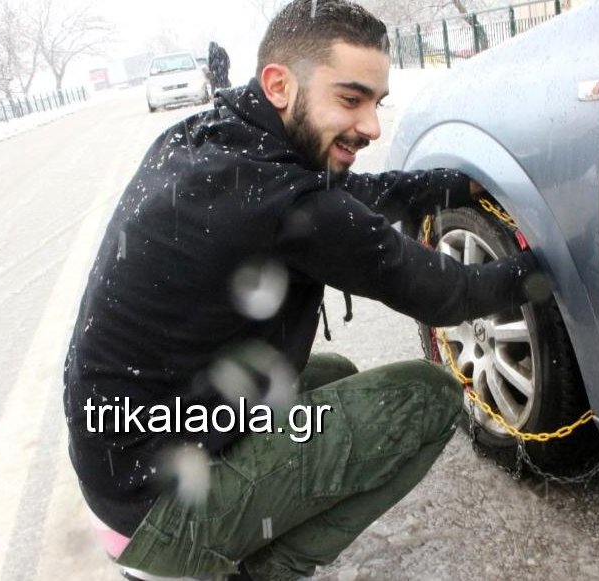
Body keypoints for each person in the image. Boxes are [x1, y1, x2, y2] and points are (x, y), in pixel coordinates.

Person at [64, 1, 543, 580]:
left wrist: (440, 186)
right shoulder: (284, 203)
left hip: (122, 462)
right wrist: (548, 266)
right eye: (350, 98)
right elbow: (447, 294)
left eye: (376, 103)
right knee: (425, 396)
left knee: (334, 373)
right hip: (157, 512)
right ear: (279, 84)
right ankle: (254, 571)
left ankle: (210, 547)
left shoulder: (205, 140)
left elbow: (345, 197)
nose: (370, 125)